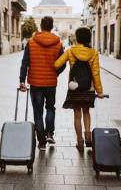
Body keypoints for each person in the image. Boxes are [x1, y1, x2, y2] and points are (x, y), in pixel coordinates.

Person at [19, 16, 65, 150]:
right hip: (51, 82)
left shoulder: (32, 42)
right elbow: (62, 63)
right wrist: (55, 73)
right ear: (51, 26)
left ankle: (42, 142)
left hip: (35, 82)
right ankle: (49, 133)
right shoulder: (58, 43)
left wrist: (22, 80)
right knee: (50, 107)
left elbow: (25, 62)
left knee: (38, 112)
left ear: (41, 26)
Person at [54, 27, 104, 151]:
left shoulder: (71, 51)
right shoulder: (93, 53)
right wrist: (100, 91)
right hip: (89, 88)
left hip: (74, 87)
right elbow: (96, 73)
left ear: (77, 38)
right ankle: (88, 137)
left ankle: (79, 141)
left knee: (77, 114)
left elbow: (56, 64)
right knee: (86, 112)